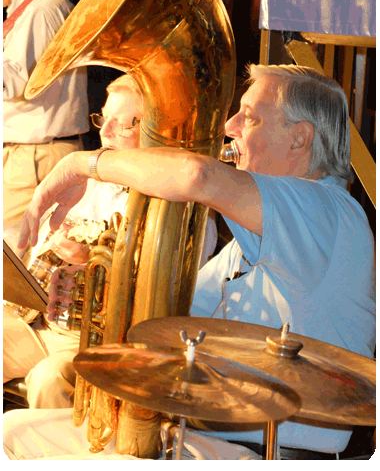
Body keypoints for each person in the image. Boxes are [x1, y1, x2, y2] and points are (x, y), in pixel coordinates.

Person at [5, 64, 375, 459]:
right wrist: (93, 297)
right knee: (13, 430)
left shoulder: (327, 211)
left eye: (249, 117)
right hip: (200, 436)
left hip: (264, 449)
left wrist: (82, 165)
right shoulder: (249, 244)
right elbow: (163, 326)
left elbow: (195, 175)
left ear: (299, 138)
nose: (230, 125)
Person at [3, 74, 218, 412]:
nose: (105, 132)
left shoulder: (182, 214)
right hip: (39, 322)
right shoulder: (90, 182)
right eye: (104, 119)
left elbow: (167, 302)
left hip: (99, 342)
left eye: (124, 125)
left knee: (48, 380)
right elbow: (39, 255)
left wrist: (91, 263)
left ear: (157, 132)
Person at [3, 0, 89, 254]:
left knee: (14, 255)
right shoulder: (37, 7)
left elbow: (10, 82)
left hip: (37, 156)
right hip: (32, 153)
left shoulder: (43, 8)